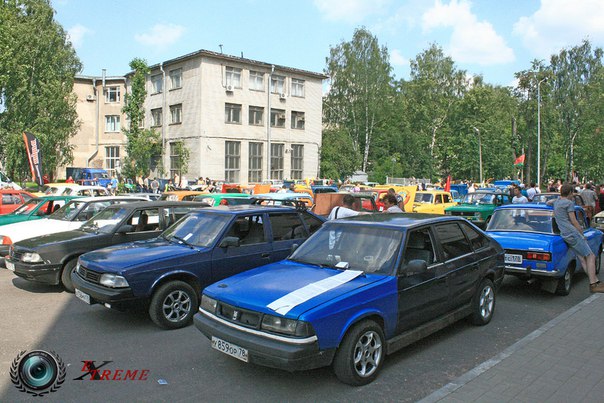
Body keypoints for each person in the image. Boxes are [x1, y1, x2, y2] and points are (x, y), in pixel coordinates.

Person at [553, 183, 604, 293]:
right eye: (572, 193)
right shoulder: (569, 203)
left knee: (582, 258)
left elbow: (548, 202)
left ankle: (596, 281)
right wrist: (582, 234)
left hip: (564, 234)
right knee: (591, 256)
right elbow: (574, 221)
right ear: (570, 193)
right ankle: (593, 284)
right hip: (572, 233)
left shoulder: (557, 202)